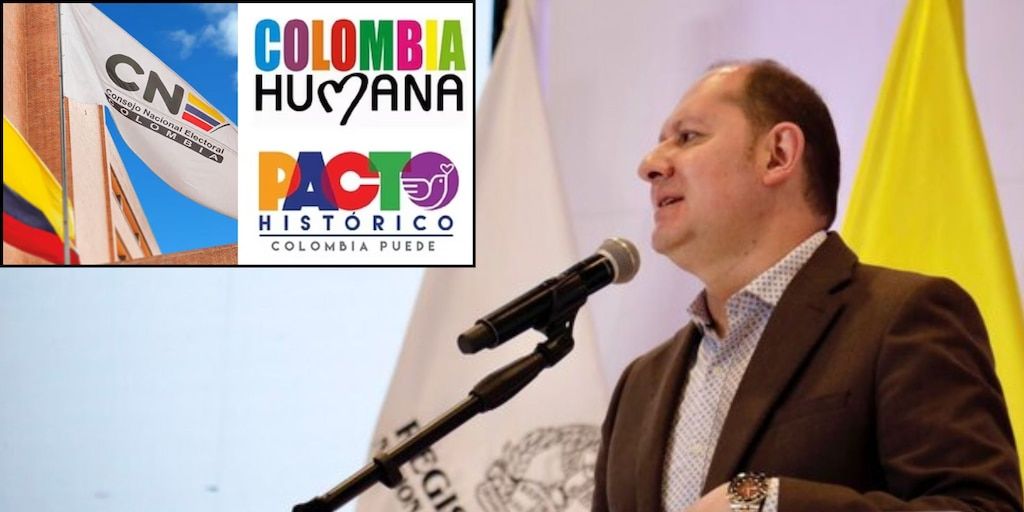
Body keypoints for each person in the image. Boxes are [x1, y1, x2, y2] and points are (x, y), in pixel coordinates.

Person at [591, 59, 1023, 512]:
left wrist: (764, 501)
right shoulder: (639, 386)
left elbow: (980, 507)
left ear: (777, 154)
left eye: (688, 136)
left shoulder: (903, 318)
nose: (650, 165)